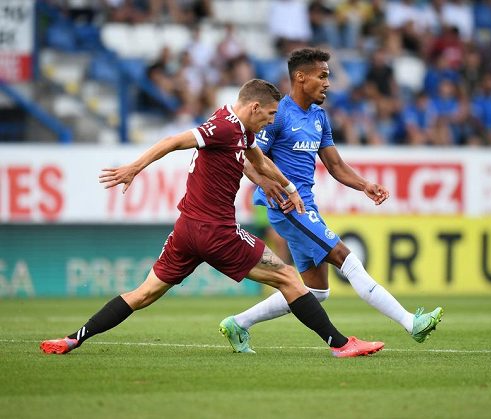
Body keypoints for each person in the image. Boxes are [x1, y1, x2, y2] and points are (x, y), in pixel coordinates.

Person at [40, 79, 384, 359]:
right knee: (290, 279)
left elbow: (259, 163)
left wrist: (289, 186)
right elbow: (174, 140)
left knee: (143, 294)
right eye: (269, 114)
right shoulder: (222, 126)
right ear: (253, 107)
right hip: (217, 232)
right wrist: (134, 167)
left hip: (186, 230)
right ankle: (341, 345)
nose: (271, 120)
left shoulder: (243, 131)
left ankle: (72, 339)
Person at [219, 49, 443, 353]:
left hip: (305, 205)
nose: (328, 83)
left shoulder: (319, 117)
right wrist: (268, 184)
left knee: (315, 290)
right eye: (322, 76)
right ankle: (410, 323)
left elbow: (335, 166)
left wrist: (365, 185)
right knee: (346, 259)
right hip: (288, 208)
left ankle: (238, 323)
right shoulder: (278, 114)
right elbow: (248, 154)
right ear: (300, 77)